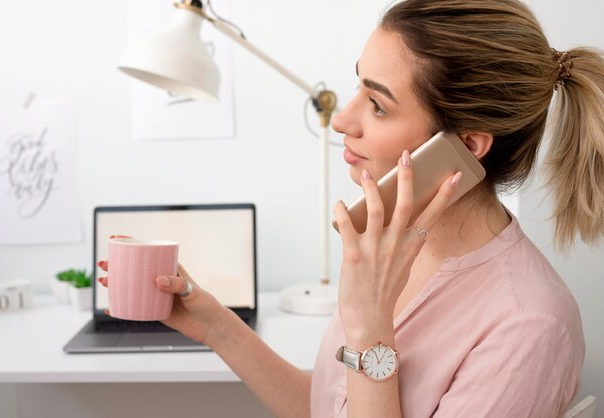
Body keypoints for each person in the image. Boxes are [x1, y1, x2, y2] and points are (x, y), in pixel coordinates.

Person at [99, 0, 604, 416]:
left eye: (378, 105)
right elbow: (328, 407)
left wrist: (369, 327)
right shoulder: (388, 251)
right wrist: (214, 325)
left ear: (467, 146)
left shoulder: (529, 325)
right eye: (358, 84)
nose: (341, 119)